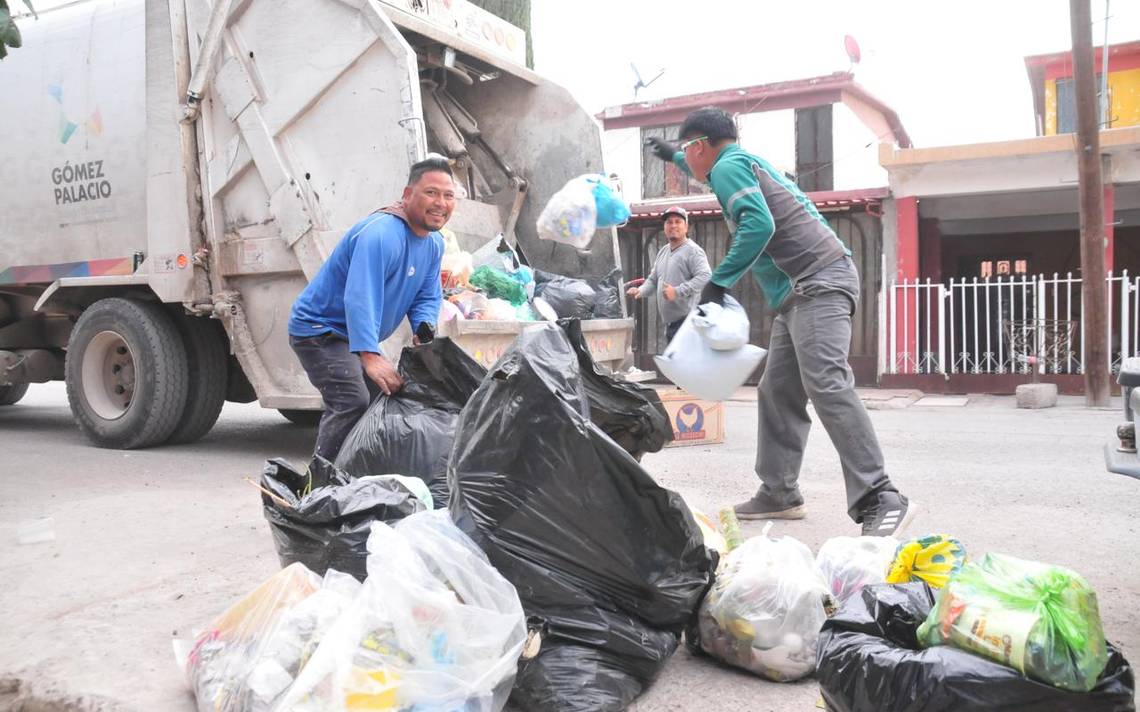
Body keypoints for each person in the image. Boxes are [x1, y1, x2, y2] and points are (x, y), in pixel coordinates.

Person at [646, 107, 915, 537]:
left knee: (826, 381)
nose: (687, 161)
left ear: (701, 146)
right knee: (777, 390)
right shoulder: (735, 163)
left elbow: (759, 225)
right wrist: (672, 157)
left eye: (686, 150)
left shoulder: (730, 166)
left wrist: (719, 282)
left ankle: (879, 494)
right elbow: (714, 180)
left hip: (816, 283)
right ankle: (779, 492)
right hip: (800, 292)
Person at [288, 155, 455, 461]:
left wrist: (424, 330)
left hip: (353, 335)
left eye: (448, 195)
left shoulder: (434, 244)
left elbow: (427, 297)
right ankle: (320, 484)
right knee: (352, 401)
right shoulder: (380, 234)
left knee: (385, 402)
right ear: (407, 195)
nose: (440, 203)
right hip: (320, 330)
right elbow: (359, 296)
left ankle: (360, 480)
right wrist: (370, 354)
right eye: (431, 193)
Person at [626, 205, 712, 344]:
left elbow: (705, 277)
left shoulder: (693, 251)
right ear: (664, 227)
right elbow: (653, 280)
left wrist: (677, 292)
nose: (673, 225)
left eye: (677, 222)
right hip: (671, 324)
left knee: (685, 365)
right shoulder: (663, 251)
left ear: (686, 226)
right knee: (677, 365)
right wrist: (640, 291)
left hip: (688, 323)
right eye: (669, 222)